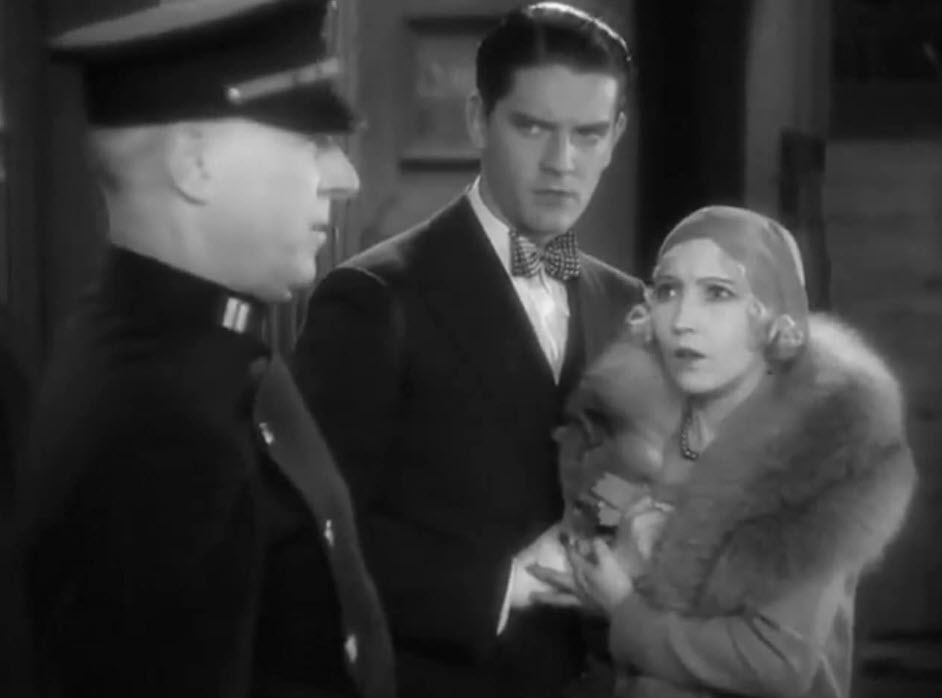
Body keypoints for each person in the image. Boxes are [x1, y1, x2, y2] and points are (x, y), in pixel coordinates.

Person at [14, 1, 394, 696]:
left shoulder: (211, 347)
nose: (345, 177)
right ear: (195, 164)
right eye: (311, 141)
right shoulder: (152, 422)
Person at [292, 3, 642, 696]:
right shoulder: (373, 297)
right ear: (479, 120)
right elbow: (315, 533)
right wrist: (506, 583)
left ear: (616, 137)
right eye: (533, 127)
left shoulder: (628, 304)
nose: (561, 163)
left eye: (588, 134)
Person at [538, 205, 917, 697]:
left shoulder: (816, 455)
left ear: (775, 317)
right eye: (668, 290)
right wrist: (611, 573)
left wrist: (624, 610)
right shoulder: (635, 432)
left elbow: (775, 665)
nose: (683, 321)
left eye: (718, 293)